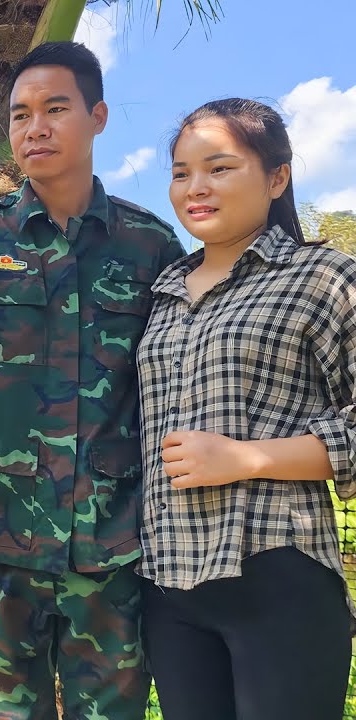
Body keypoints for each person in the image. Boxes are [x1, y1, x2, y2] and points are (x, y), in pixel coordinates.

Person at [0, 41, 187, 719]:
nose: (34, 127)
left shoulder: (150, 245)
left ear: (97, 116)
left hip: (110, 544)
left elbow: (182, 371)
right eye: (20, 114)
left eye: (55, 108)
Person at [135, 97, 356, 720]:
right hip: (168, 584)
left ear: (277, 176)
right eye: (181, 172)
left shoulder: (324, 278)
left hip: (277, 575)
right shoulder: (161, 292)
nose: (195, 188)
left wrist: (244, 458)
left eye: (220, 168)